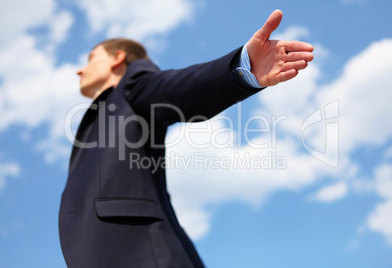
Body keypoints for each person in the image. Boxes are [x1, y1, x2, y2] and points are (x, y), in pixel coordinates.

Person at [59, 10, 313, 268]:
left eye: (91, 59)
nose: (81, 70)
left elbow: (176, 88)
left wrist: (242, 67)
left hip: (140, 254)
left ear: (118, 58)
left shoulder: (133, 83)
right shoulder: (104, 110)